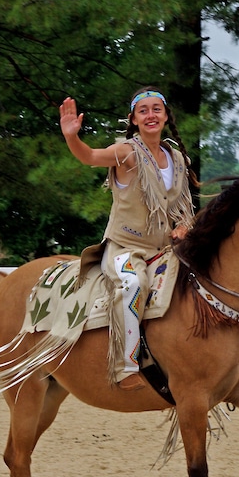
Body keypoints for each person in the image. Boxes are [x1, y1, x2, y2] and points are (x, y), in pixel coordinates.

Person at [60, 87, 196, 391]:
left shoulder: (176, 158)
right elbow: (90, 156)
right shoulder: (126, 152)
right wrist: (72, 137)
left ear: (166, 115)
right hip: (125, 248)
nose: (151, 115)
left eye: (156, 109)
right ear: (134, 119)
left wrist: (184, 226)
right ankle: (126, 365)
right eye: (143, 111)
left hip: (164, 250)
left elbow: (183, 207)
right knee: (132, 284)